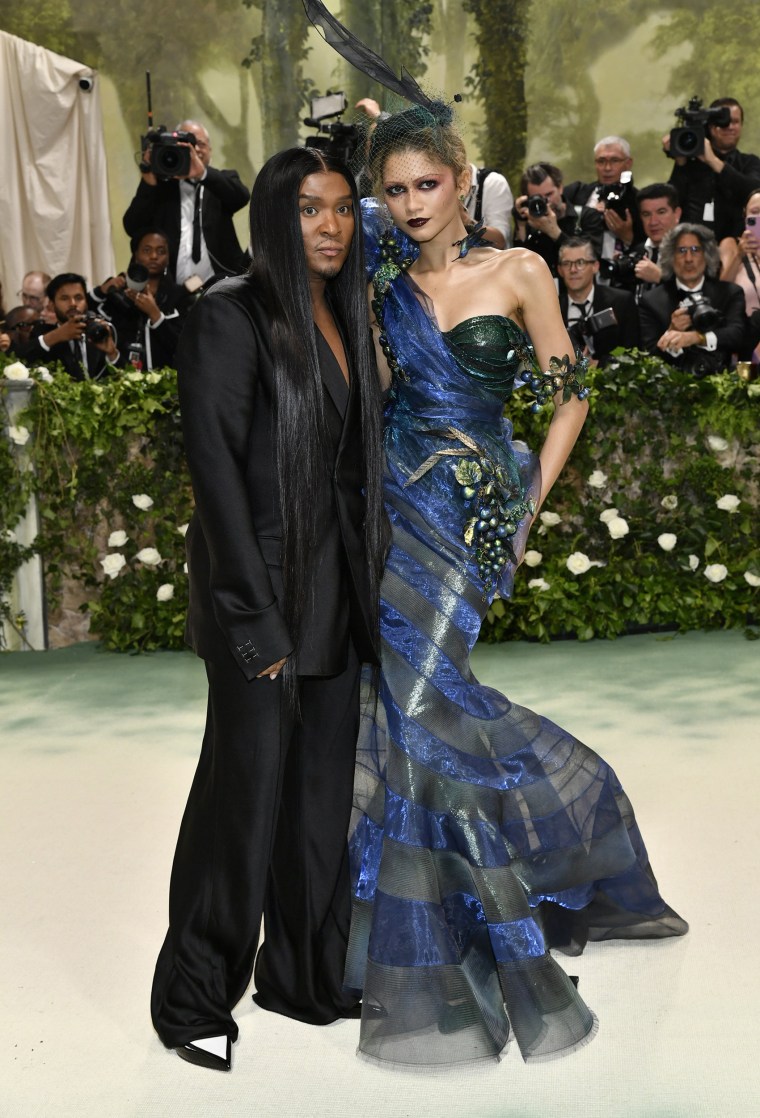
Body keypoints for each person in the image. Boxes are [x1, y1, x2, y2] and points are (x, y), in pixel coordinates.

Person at [339, 107, 689, 1066]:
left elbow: (570, 390)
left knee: (420, 702)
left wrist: (530, 496)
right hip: (395, 514)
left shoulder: (521, 271)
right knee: (410, 711)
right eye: (396, 189)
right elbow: (371, 401)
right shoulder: (380, 288)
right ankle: (432, 927)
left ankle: (514, 886)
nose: (412, 206)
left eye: (428, 185)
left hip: (477, 511)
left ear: (461, 179)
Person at [150, 146, 386, 1072]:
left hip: (337, 606)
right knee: (240, 806)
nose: (328, 226)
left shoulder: (340, 314)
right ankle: (196, 996)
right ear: (272, 221)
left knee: (320, 805)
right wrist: (252, 621)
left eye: (340, 210)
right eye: (308, 211)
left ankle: (303, 977)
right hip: (264, 606)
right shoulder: (230, 315)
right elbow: (215, 474)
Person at [123, 120, 250, 285]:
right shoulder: (161, 187)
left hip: (221, 284)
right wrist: (149, 180)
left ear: (210, 150)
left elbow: (241, 197)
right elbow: (132, 226)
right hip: (172, 290)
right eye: (187, 144)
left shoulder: (220, 181)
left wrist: (202, 174)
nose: (195, 149)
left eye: (200, 144)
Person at [639, 222, 747, 375]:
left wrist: (697, 338)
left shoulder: (730, 292)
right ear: (670, 256)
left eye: (695, 250)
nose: (688, 258)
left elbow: (737, 335)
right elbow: (648, 360)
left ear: (706, 254)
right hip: (670, 389)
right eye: (681, 250)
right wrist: (671, 332)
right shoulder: (651, 301)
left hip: (721, 384)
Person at [664, 97, 760, 244]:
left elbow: (753, 192)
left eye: (735, 122)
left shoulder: (749, 162)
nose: (730, 127)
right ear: (710, 127)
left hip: (737, 249)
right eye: (723, 123)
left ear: (741, 126)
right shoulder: (690, 166)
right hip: (693, 252)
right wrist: (681, 162)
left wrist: (713, 161)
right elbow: (671, 204)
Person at [90, 230, 188, 369]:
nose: (154, 256)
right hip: (120, 378)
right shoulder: (120, 292)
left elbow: (184, 347)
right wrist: (102, 291)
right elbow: (83, 313)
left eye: (161, 251)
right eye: (147, 250)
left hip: (167, 382)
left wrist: (156, 315)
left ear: (168, 258)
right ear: (136, 255)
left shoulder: (180, 296)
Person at [557, 236, 640, 365]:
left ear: (595, 266)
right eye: (567, 264)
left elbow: (634, 354)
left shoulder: (622, 302)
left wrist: (599, 366)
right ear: (560, 270)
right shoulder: (552, 310)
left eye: (580, 262)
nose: (573, 270)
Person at [20, 273, 121, 379]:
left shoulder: (99, 332)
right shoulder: (42, 333)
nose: (73, 303)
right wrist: (56, 335)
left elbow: (123, 378)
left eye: (78, 298)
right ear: (52, 304)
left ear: (86, 302)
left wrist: (112, 354)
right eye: (64, 298)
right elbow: (18, 360)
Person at [564, 136, 644, 267]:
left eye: (614, 160)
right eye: (601, 161)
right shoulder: (577, 193)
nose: (607, 168)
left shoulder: (639, 200)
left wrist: (628, 237)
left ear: (628, 163)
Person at [513, 161, 604, 274]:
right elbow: (518, 266)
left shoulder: (587, 216)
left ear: (560, 188)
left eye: (549, 194)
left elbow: (592, 260)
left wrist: (555, 233)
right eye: (538, 198)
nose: (547, 202)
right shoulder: (529, 222)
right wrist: (520, 225)